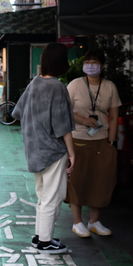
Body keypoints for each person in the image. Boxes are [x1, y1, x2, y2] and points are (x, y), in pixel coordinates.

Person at [11, 43, 75, 254]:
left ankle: (40, 236)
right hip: (53, 151)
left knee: (43, 196)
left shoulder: (34, 83)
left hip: (34, 150)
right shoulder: (57, 87)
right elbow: (63, 125)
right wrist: (72, 153)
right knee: (53, 196)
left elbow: (17, 112)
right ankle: (45, 241)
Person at [65, 50, 121, 238]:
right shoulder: (74, 85)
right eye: (87, 61)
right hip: (78, 140)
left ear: (103, 66)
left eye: (95, 62)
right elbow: (64, 111)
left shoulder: (110, 87)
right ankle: (77, 222)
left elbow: (113, 116)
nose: (90, 65)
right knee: (77, 180)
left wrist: (111, 142)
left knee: (101, 181)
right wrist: (83, 120)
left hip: (102, 140)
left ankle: (94, 222)